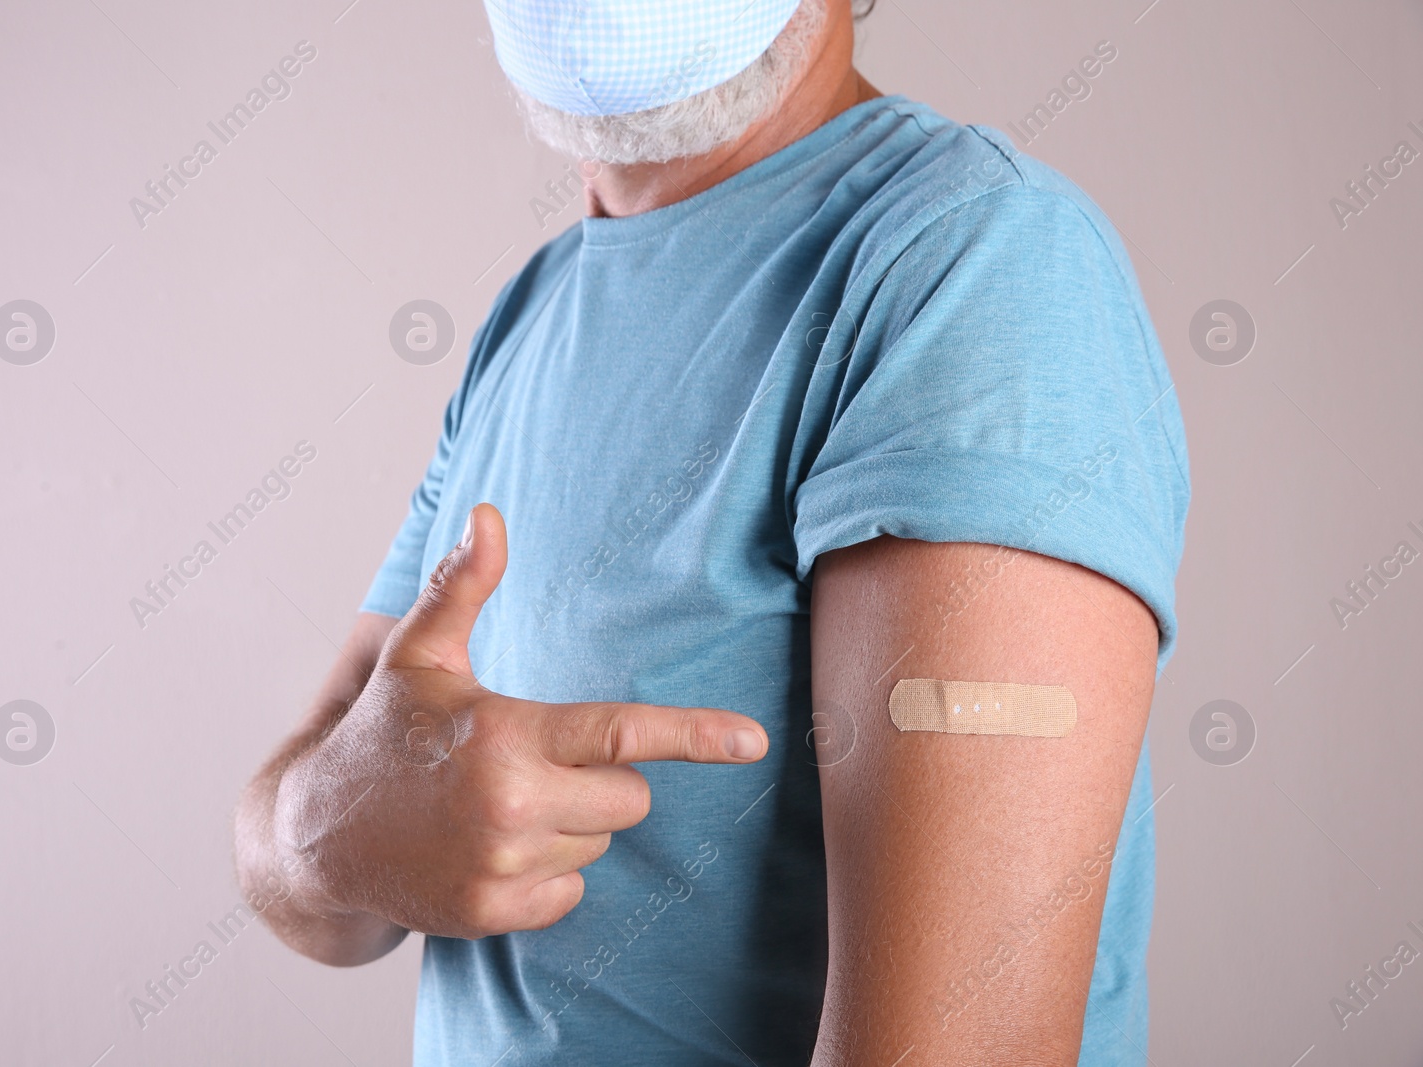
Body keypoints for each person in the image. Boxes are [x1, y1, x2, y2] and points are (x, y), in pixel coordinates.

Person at [234, 0, 1190, 1063]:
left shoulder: (968, 265)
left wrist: (333, 829)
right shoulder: (529, 313)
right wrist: (333, 832)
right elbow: (310, 833)